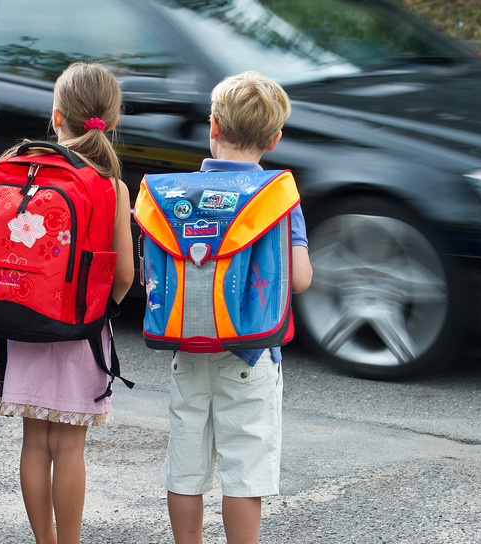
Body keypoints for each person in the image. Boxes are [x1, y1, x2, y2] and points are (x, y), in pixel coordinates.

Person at [0, 62, 134, 544]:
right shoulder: (110, 185)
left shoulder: (20, 167)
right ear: (110, 118)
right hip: (79, 332)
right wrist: (101, 311)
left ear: (56, 114)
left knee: (34, 442)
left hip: (21, 322)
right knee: (69, 448)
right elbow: (125, 274)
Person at [159, 71, 313, 544]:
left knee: (185, 468)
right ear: (274, 138)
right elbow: (301, 278)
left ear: (213, 128)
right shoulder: (275, 196)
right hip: (249, 352)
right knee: (244, 470)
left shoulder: (176, 195)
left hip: (188, 346)